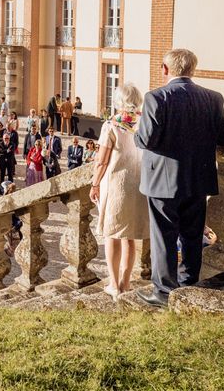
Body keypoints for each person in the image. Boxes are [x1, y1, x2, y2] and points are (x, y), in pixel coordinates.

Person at [133, 49, 224, 308]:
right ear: (193, 69)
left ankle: (164, 291)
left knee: (164, 234)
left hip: (162, 181)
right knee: (192, 233)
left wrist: (136, 128)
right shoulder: (213, 98)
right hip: (198, 179)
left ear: (165, 69)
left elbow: (145, 140)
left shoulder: (156, 98)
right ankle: (188, 284)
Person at [89, 84, 151, 300]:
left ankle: (114, 284)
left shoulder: (112, 125)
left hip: (117, 184)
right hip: (139, 184)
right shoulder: (144, 122)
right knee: (130, 238)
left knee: (112, 235)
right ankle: (125, 284)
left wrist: (95, 183)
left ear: (118, 101)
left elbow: (102, 160)